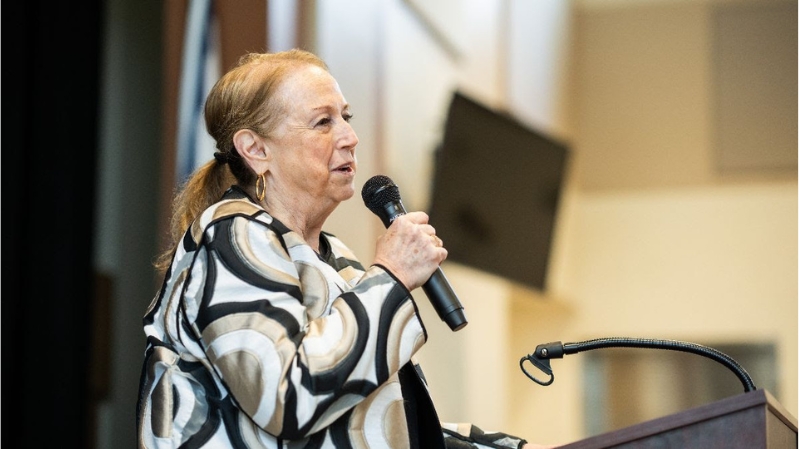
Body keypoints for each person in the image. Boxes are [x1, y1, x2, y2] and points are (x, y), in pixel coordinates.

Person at [136, 48, 553, 449]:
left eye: (346, 118)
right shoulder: (231, 235)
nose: (351, 137)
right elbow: (287, 398)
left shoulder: (336, 260)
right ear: (256, 149)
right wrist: (391, 277)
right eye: (323, 122)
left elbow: (373, 426)